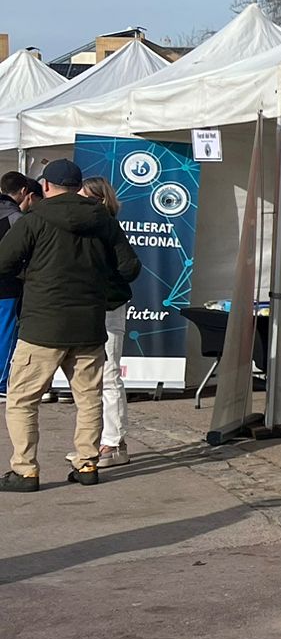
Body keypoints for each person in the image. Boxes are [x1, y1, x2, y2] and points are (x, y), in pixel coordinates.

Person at [0, 160, 140, 490]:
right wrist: (98, 282)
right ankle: (87, 464)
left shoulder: (34, 219)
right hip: (89, 325)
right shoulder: (103, 220)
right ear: (78, 185)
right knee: (89, 399)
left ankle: (25, 470)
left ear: (45, 186)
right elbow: (130, 268)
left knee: (22, 400)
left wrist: (29, 275)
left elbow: (2, 261)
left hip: (42, 326)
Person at [79, 177, 133, 467]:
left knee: (110, 373)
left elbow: (128, 267)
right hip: (90, 306)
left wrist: (104, 284)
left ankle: (113, 442)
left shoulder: (109, 228)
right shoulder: (89, 228)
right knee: (91, 376)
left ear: (100, 200)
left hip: (109, 306)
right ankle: (97, 440)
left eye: (85, 198)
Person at [0, 171, 36, 398]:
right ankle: (2, 382)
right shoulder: (17, 220)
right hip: (8, 285)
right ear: (24, 192)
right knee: (5, 333)